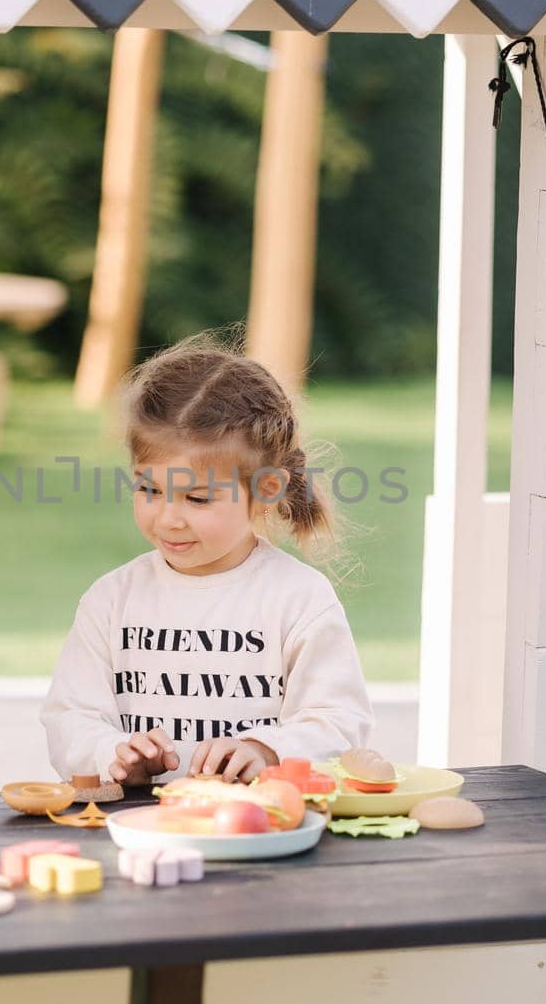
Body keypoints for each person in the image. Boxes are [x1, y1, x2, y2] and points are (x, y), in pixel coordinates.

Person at [40, 332, 374, 786]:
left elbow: (340, 723)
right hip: (137, 832)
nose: (168, 519)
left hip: (261, 825)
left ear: (265, 490)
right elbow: (70, 717)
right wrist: (113, 755)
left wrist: (265, 750)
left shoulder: (298, 599)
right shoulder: (112, 600)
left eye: (197, 498)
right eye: (149, 490)